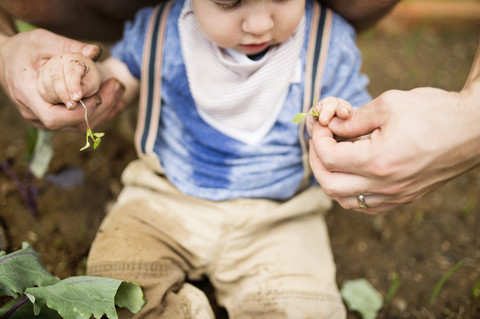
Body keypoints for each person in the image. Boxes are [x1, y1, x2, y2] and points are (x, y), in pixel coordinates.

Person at [36, 0, 370, 317]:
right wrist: (80, 78)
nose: (259, 23)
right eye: (228, 2)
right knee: (116, 285)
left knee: (304, 310)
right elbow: (114, 80)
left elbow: (362, 122)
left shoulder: (327, 41)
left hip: (281, 215)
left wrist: (341, 120)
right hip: (165, 199)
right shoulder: (161, 29)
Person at [307, 37, 480, 214]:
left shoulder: (328, 39)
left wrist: (332, 113)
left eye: (282, 6)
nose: (274, 21)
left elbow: (354, 109)